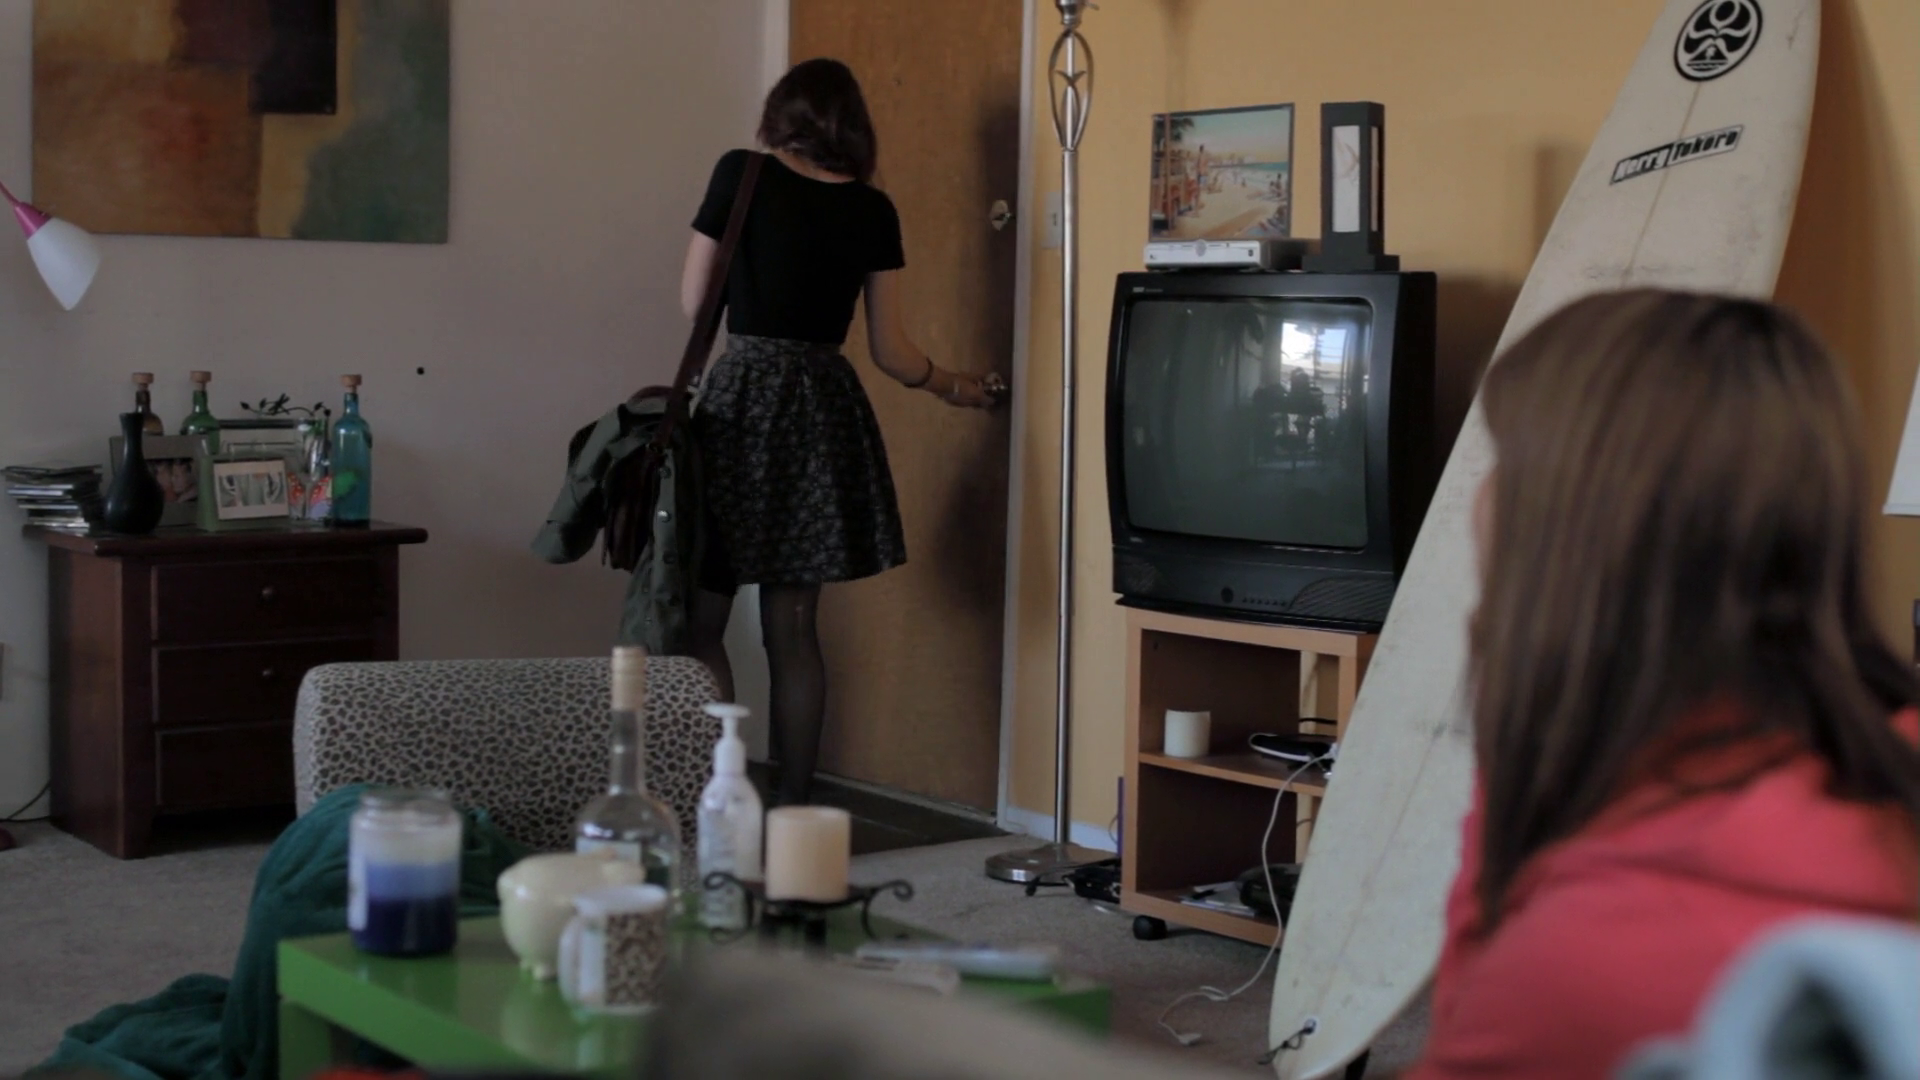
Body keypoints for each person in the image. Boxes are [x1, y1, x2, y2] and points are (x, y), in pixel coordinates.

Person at [1404, 290, 1920, 1079]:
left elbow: (1470, 1035)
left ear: (1572, 534)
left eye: (1505, 459)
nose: (1479, 496)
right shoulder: (1883, 764)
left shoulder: (1575, 965)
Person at [679, 58, 999, 807]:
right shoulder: (872, 211)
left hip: (741, 407)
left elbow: (696, 303)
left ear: (781, 114)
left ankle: (719, 802)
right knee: (794, 630)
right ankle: (794, 811)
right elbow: (891, 352)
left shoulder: (742, 174)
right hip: (822, 413)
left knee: (701, 619)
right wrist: (957, 386)